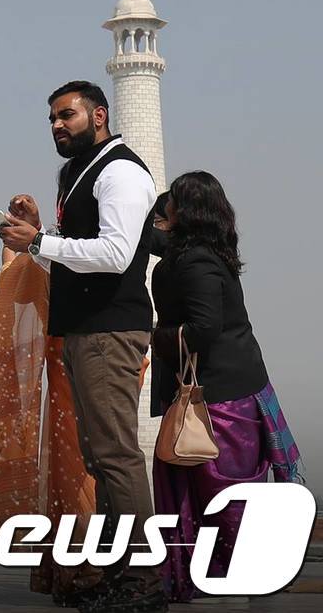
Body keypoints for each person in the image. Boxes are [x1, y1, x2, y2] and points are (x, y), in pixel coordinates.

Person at [0, 80, 167, 613]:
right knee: (100, 455)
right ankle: (119, 571)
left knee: (116, 454)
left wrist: (38, 241)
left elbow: (116, 254)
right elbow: (72, 255)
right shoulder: (76, 173)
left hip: (110, 329)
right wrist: (39, 233)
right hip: (81, 330)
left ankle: (144, 578)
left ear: (99, 115)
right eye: (52, 118)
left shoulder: (121, 171)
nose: (57, 125)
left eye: (66, 115)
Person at [149, 171, 303, 602]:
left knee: (225, 493)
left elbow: (204, 327)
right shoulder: (203, 252)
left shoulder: (195, 261)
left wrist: (155, 337)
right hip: (227, 388)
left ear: (186, 211)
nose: (165, 207)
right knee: (210, 488)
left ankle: (249, 570)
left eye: (173, 202)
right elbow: (148, 240)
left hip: (220, 397)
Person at [0, 247, 102, 602]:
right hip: (67, 371)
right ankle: (75, 569)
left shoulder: (93, 247)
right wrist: (21, 257)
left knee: (86, 470)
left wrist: (29, 252)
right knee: (68, 472)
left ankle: (94, 568)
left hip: (91, 362)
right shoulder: (57, 251)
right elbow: (24, 292)